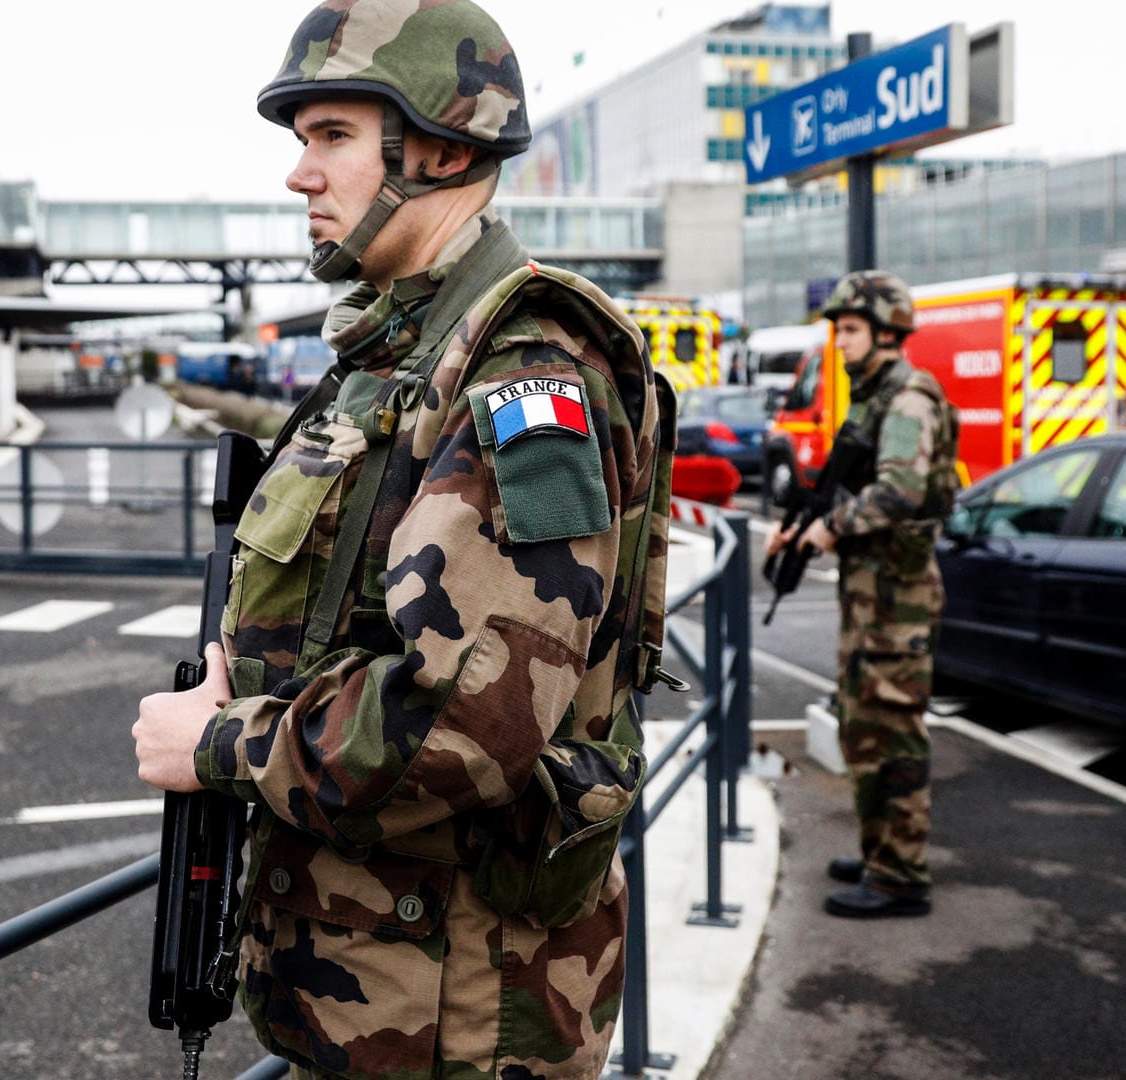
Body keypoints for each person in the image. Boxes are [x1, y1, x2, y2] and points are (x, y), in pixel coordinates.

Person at [131, 2, 676, 1076]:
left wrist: (216, 746)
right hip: (376, 993)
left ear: (444, 146)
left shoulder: (524, 375)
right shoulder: (401, 354)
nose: (300, 174)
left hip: (457, 1021)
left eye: (332, 136)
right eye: (301, 141)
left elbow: (460, 727)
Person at [764, 270, 959, 919]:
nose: (839, 342)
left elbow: (899, 492)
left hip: (896, 598)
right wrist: (799, 531)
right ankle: (881, 850)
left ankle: (902, 874)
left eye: (849, 330)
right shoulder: (874, 397)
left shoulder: (906, 399)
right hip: (872, 592)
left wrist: (830, 528)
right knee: (861, 724)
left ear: (884, 333)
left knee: (893, 729)